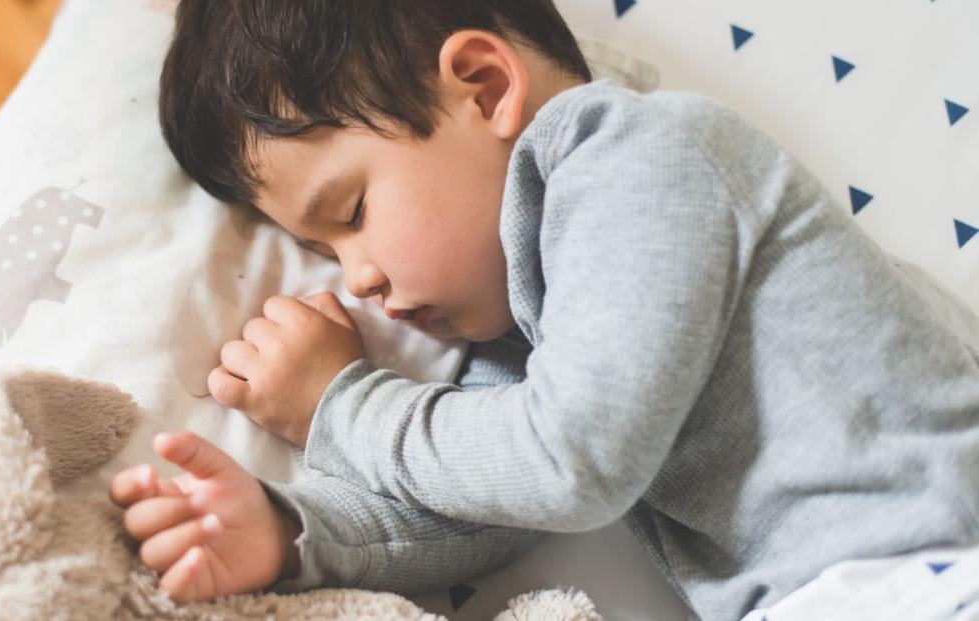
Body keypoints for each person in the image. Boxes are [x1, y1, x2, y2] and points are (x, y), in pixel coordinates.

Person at [108, 1, 979, 618]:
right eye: (329, 256)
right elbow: (477, 506)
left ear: (485, 87)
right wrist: (291, 530)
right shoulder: (527, 325)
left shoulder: (643, 155)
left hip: (929, 561)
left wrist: (341, 403)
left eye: (353, 214)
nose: (357, 280)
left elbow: (571, 458)